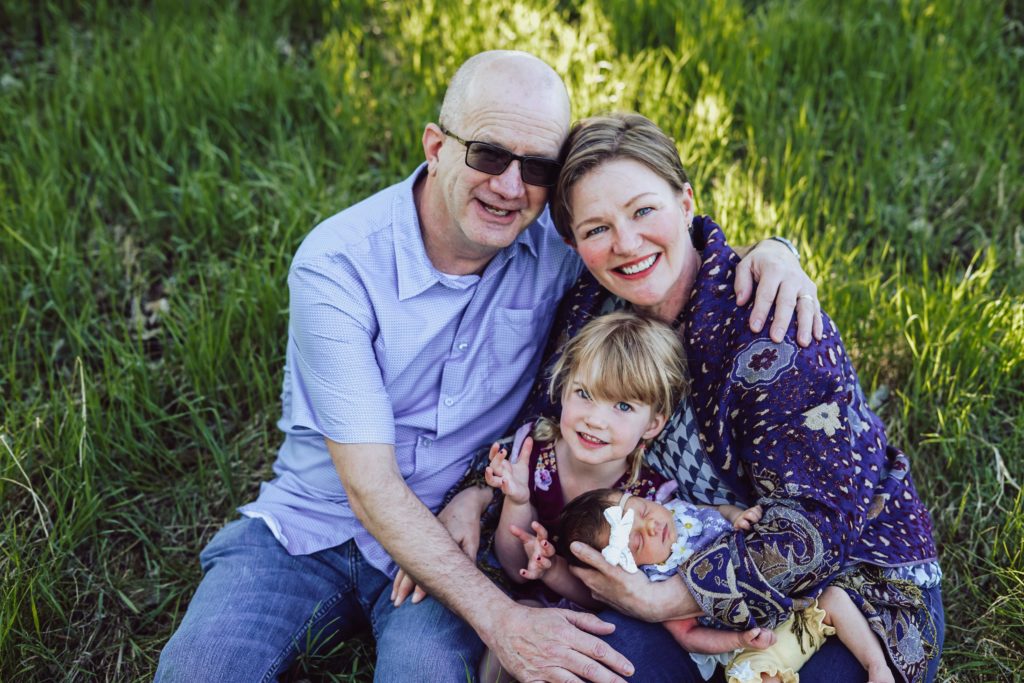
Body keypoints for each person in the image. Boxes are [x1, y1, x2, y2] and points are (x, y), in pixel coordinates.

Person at [155, 51, 819, 682]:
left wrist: (772, 252)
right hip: (310, 527)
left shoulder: (559, 248)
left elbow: (652, 236)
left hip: (458, 539)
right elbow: (370, 485)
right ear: (435, 146)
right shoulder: (337, 266)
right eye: (488, 154)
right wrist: (503, 619)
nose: (509, 186)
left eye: (536, 167)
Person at [421, 112, 943, 683]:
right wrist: (476, 493)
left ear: (686, 201)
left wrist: (663, 600)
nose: (627, 243)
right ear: (573, 244)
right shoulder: (594, 307)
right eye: (596, 229)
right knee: (583, 661)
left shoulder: (775, 328)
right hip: (669, 559)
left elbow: (815, 531)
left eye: (644, 211)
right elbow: (547, 418)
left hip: (843, 588)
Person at [559, 488, 896, 683]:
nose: (651, 527)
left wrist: (735, 515)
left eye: (644, 510)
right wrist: (737, 640)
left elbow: (715, 510)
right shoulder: (657, 579)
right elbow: (689, 636)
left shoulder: (677, 512)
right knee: (754, 674)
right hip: (755, 637)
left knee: (835, 599)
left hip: (788, 595)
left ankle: (877, 666)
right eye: (635, 543)